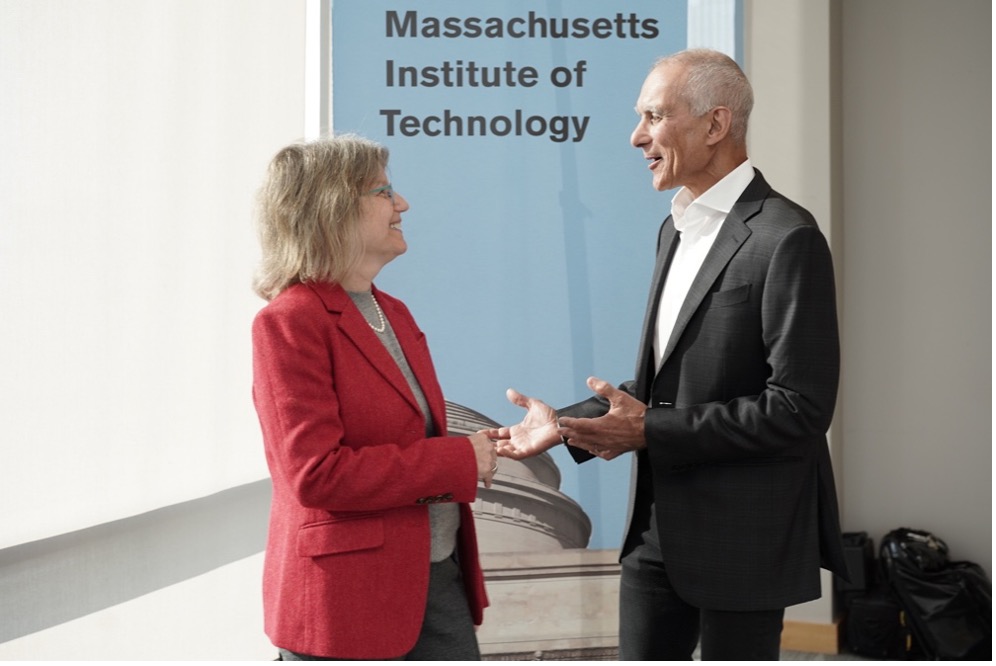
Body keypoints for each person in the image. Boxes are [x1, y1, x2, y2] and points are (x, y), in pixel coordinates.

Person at [489, 49, 849, 660]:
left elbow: (800, 408)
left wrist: (650, 429)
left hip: (744, 542)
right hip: (656, 535)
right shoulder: (673, 227)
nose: (636, 137)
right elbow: (672, 379)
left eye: (654, 117)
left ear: (714, 125)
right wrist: (567, 424)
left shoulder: (787, 236)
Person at [250, 135, 496, 660]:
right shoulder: (289, 322)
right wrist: (457, 459)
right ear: (333, 209)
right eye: (384, 191)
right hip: (348, 603)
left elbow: (411, 440)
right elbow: (317, 475)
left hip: (436, 582)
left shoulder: (395, 313)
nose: (402, 204)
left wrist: (494, 445)